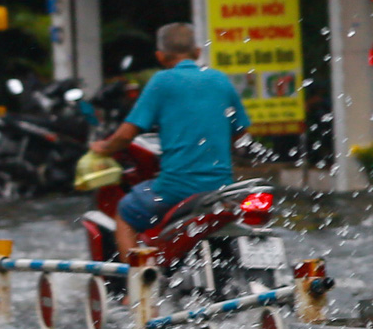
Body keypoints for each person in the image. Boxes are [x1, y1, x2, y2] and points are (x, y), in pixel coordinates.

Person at [88, 21, 251, 258]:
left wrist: (102, 148)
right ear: (197, 52)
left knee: (124, 214)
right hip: (221, 190)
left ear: (160, 56)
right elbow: (240, 135)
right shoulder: (220, 80)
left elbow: (125, 135)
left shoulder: (161, 82)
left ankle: (137, 289)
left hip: (175, 190)